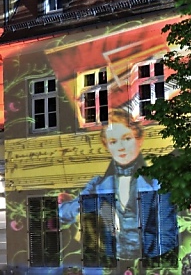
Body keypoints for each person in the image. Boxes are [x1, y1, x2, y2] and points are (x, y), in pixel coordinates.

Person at [58, 108, 178, 269]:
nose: (120, 147)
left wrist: (149, 263)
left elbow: (167, 235)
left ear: (139, 139)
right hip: (110, 264)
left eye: (126, 139)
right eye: (113, 142)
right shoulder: (97, 185)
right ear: (107, 146)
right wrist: (85, 204)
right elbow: (63, 213)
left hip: (147, 265)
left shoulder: (156, 183)